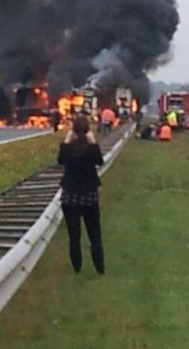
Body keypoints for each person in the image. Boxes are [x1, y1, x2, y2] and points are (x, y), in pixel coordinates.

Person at [58, 116, 105, 274]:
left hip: (70, 196)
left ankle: (77, 268)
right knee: (95, 236)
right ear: (87, 131)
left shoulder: (67, 149)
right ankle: (100, 268)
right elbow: (100, 161)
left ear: (74, 131)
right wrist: (93, 142)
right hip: (89, 196)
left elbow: (60, 160)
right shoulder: (91, 150)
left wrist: (67, 138)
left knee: (74, 237)